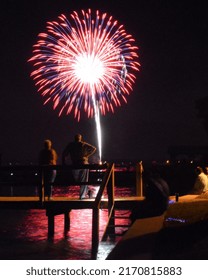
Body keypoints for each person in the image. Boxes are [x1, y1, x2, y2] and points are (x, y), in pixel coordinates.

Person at [62, 134, 96, 199]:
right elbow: (93, 148)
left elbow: (64, 154)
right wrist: (87, 155)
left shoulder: (75, 144)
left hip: (80, 163)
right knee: (81, 180)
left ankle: (82, 196)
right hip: (80, 163)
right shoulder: (77, 144)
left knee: (80, 180)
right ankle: (87, 191)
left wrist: (63, 162)